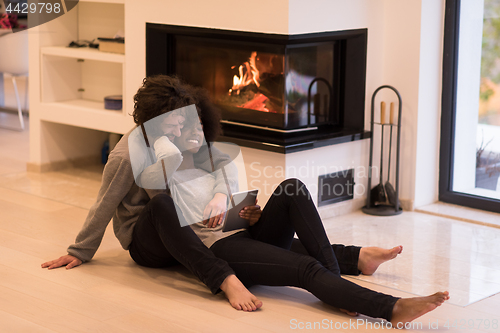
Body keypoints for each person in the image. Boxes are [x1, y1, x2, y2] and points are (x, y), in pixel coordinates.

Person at [164, 104, 450, 326]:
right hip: (221, 248)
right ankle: (391, 308)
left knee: (293, 188)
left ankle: (337, 281)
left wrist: (251, 215)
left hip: (244, 232)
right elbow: (174, 228)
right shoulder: (167, 171)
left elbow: (233, 207)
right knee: (304, 266)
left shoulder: (216, 163)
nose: (195, 133)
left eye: (200, 127)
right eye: (188, 128)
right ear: (174, 133)